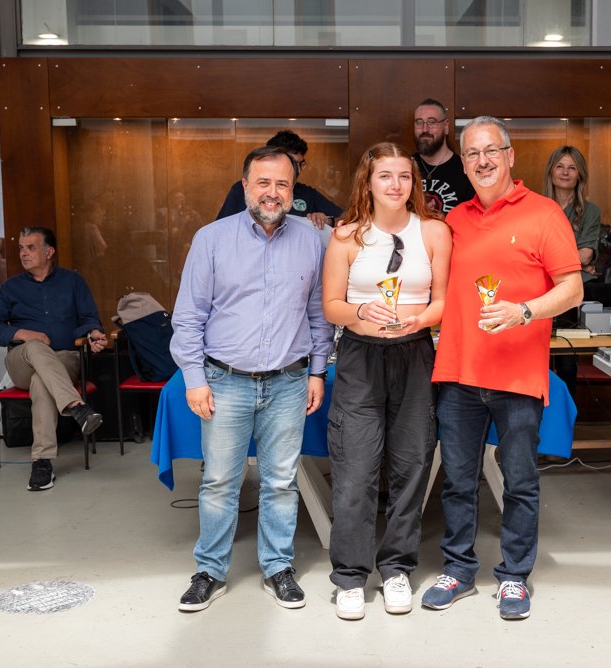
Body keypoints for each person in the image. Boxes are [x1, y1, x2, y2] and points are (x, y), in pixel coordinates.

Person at [423, 117, 584, 620]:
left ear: (510, 156)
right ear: (464, 163)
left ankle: (514, 576)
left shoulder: (544, 213)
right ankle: (458, 570)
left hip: (517, 377)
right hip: (459, 374)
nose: (483, 160)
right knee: (457, 481)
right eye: (472, 153)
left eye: (491, 150)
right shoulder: (454, 220)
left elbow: (572, 290)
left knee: (519, 483)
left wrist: (525, 311)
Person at [170, 145, 334, 613]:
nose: (272, 192)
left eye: (282, 183)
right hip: (225, 381)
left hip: (289, 381)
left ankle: (278, 567)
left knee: (281, 481)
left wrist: (317, 371)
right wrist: (194, 378)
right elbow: (188, 317)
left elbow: (318, 315)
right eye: (263, 182)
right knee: (220, 481)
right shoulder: (211, 239)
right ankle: (210, 571)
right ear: (245, 186)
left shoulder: (311, 241)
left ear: (293, 190)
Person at [321, 143, 452, 620]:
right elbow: (330, 306)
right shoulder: (346, 236)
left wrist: (419, 321)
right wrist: (361, 310)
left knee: (412, 465)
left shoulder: (434, 232)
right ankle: (350, 576)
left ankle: (397, 569)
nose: (395, 185)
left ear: (414, 183)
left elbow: (443, 301)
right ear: (368, 182)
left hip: (415, 355)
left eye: (404, 176)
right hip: (359, 358)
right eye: (385, 176)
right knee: (354, 469)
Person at [0, 226, 106, 492]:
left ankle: (41, 463)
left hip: (64, 359)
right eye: (21, 248)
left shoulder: (73, 281)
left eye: (31, 247)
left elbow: (89, 318)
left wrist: (94, 333)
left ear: (49, 252)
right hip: (21, 362)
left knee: (42, 382)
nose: (23, 253)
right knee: (35, 346)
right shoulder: (10, 287)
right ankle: (77, 406)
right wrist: (24, 334)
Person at [542, 146, 601, 397]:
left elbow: (586, 254)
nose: (565, 172)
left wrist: (548, 262)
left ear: (580, 175)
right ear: (551, 171)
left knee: (567, 365)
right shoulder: (535, 208)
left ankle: (567, 419)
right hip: (539, 294)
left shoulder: (590, 211)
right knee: (538, 363)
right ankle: (539, 418)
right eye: (560, 166)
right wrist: (576, 263)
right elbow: (527, 256)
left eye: (572, 167)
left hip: (572, 297)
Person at [215, 130, 345, 231]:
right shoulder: (241, 189)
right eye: (263, 183)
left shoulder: (307, 193)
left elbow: (347, 217)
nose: (298, 170)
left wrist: (329, 221)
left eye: (300, 164)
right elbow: (221, 228)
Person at [412, 98, 475, 215]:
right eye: (419, 123)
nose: (425, 129)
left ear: (446, 126)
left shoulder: (466, 170)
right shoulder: (404, 167)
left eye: (432, 122)